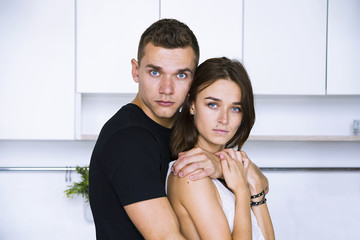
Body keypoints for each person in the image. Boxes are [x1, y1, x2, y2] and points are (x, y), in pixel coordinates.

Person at [89, 18, 226, 240]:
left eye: (181, 75)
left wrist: (221, 166)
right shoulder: (128, 139)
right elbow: (165, 237)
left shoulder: (187, 126)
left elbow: (258, 181)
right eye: (155, 72)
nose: (167, 89)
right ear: (136, 71)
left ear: (194, 80)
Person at [167, 57, 275, 239]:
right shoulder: (191, 173)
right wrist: (242, 190)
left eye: (235, 108)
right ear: (192, 105)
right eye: (213, 105)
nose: (223, 119)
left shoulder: (233, 167)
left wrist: (254, 185)